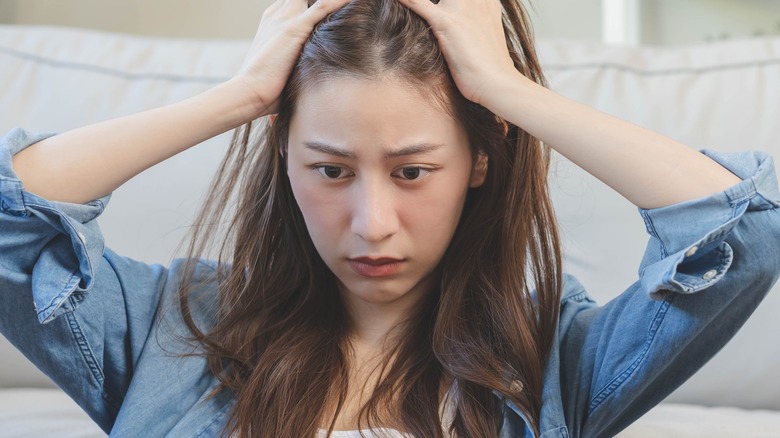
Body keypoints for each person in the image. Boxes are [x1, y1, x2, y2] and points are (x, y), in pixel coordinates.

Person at [1, 0, 779, 436]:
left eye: (412, 172)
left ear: (479, 161)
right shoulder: (169, 329)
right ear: (284, 157)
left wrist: (509, 94)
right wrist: (235, 99)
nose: (372, 223)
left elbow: (744, 232)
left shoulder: (555, 359)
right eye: (331, 170)